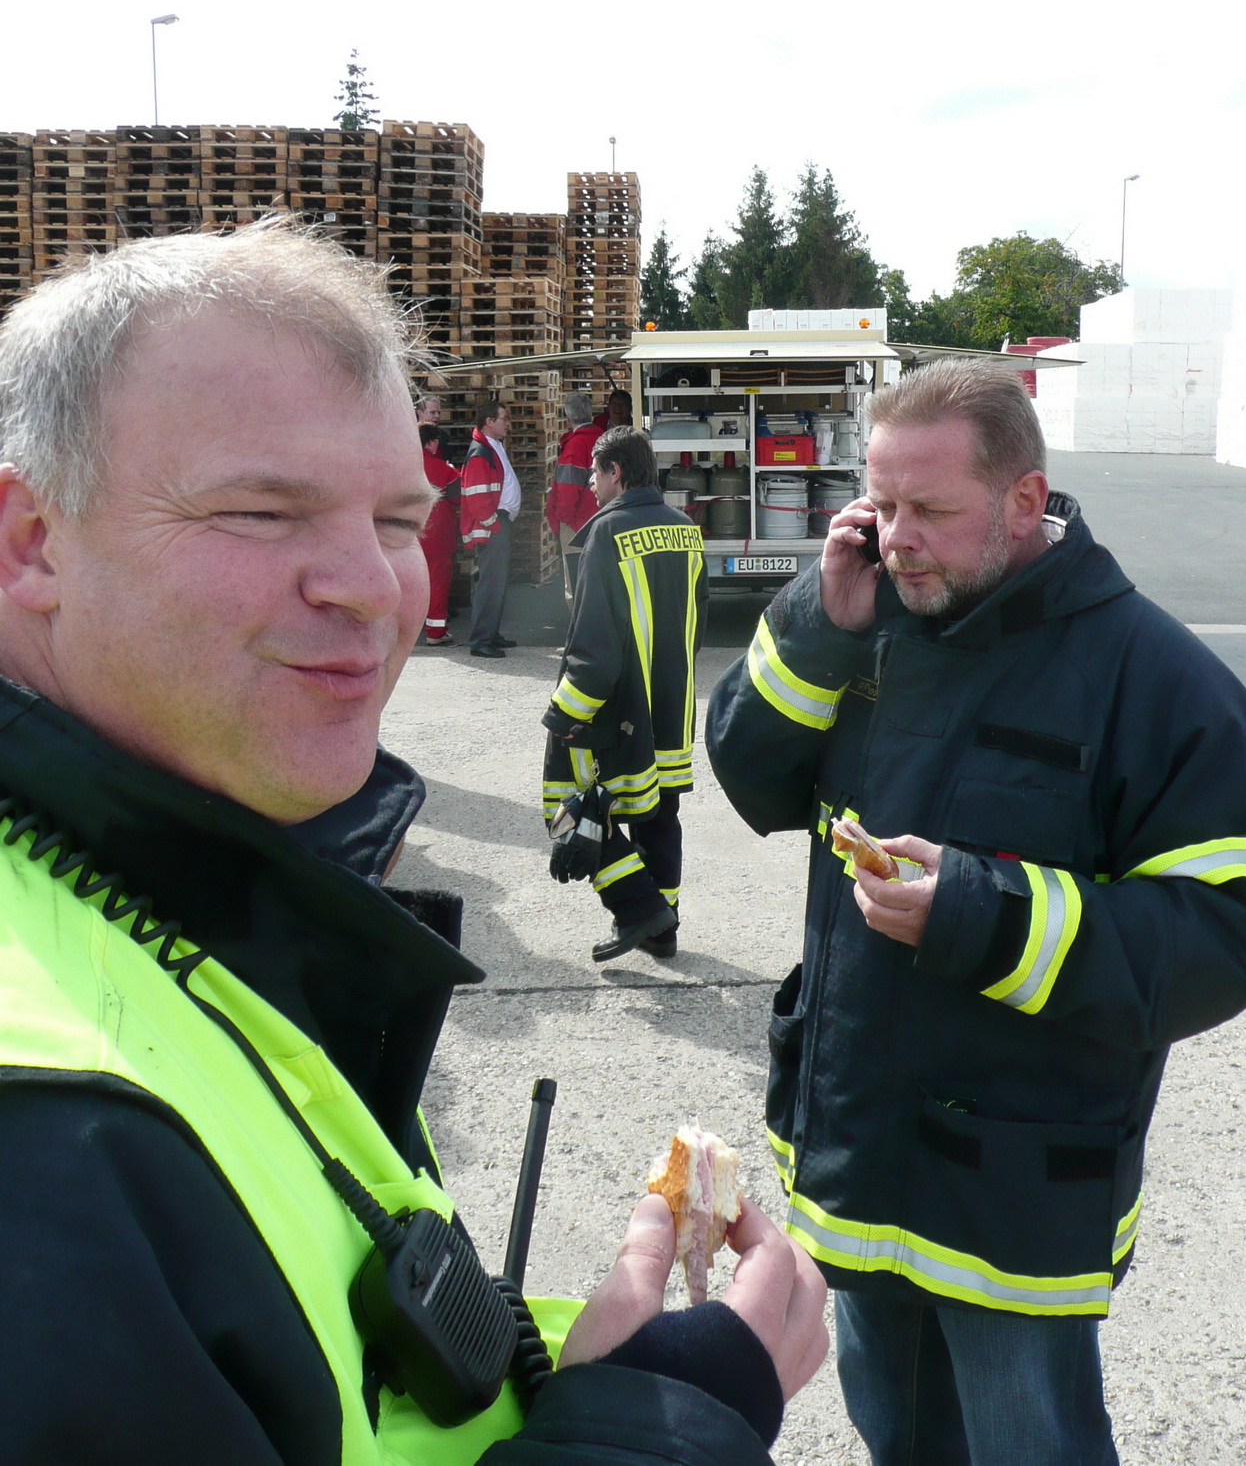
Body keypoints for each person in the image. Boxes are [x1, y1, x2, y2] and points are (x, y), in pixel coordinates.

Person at [0, 220, 828, 1465]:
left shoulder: (198, 883)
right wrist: (659, 1429)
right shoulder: (40, 1143)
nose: (376, 587)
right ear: (33, 542)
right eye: (263, 511)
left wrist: (582, 1389)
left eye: (397, 519)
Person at [704, 359, 1246, 1465]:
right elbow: (751, 778)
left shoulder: (1145, 672)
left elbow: (1240, 919)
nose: (896, 540)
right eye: (881, 503)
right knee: (897, 1439)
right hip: (860, 1159)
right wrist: (816, 630)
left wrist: (987, 916)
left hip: (1013, 1201)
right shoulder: (864, 615)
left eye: (930, 511)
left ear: (1025, 502)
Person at [542, 427, 709, 963]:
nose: (590, 484)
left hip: (617, 710)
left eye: (594, 472)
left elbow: (594, 641)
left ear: (615, 472)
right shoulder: (686, 529)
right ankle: (664, 929)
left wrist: (565, 713)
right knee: (660, 816)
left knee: (575, 807)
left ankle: (637, 910)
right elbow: (698, 620)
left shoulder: (607, 533)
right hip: (674, 707)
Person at [462, 400, 519, 659]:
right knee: (489, 584)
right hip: (493, 527)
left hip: (498, 524)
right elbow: (476, 498)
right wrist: (494, 524)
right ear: (489, 422)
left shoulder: (491, 446)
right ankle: (481, 641)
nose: (508, 424)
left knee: (497, 583)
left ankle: (490, 633)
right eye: (504, 419)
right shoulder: (480, 453)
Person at [545, 392, 603, 605]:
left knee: (577, 586)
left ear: (567, 418)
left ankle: (581, 625)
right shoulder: (603, 440)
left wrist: (562, 519)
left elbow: (568, 492)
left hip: (577, 526)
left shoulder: (574, 446)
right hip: (601, 521)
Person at [419, 422, 460, 646]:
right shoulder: (443, 469)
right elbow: (459, 495)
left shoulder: (399, 466)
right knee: (437, 583)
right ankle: (435, 632)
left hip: (405, 534)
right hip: (437, 534)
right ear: (432, 443)